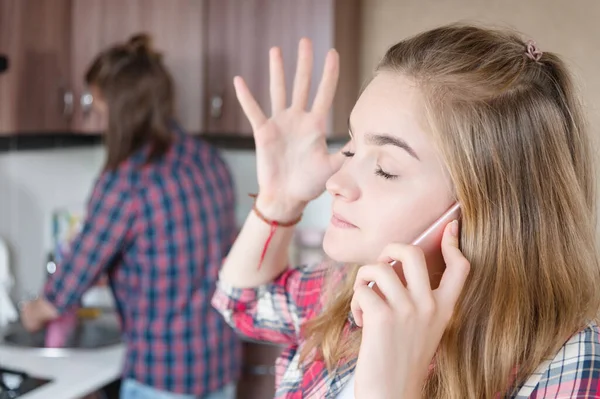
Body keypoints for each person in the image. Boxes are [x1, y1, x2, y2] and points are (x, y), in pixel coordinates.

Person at [211, 23, 600, 398]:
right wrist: (279, 200)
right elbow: (241, 301)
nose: (336, 181)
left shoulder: (565, 363)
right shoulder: (354, 291)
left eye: (386, 169)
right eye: (350, 147)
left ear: (491, 207)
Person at [21, 34, 241, 399]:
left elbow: (76, 273)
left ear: (119, 109)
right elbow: (198, 256)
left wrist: (37, 310)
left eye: (97, 105)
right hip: (218, 364)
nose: (95, 115)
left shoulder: (128, 181)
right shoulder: (208, 160)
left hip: (163, 375)